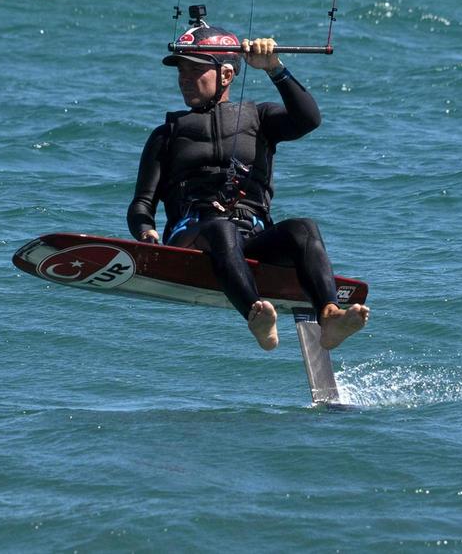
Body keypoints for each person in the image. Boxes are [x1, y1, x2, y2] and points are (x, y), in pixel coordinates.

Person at [127, 17, 369, 351]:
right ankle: (256, 315)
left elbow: (309, 119)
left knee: (304, 229)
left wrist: (274, 68)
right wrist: (146, 235)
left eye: (195, 70)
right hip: (192, 236)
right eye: (181, 71)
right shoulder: (166, 136)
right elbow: (142, 205)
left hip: (248, 238)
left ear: (226, 74)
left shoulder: (260, 118)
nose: (184, 79)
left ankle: (329, 316)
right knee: (220, 229)